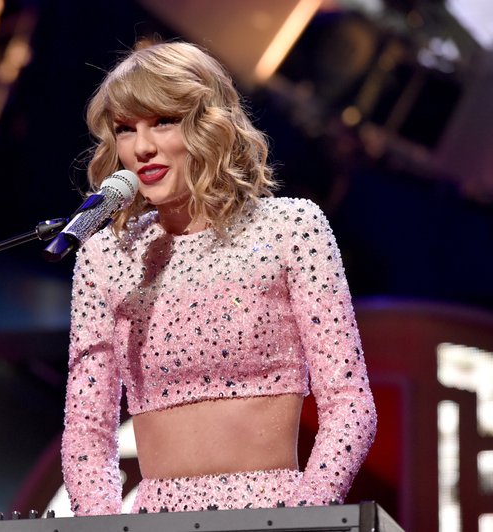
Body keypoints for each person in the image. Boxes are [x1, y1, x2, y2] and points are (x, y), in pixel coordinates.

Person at [61, 41, 376, 515]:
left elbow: (350, 403)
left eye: (163, 121)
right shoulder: (105, 254)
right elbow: (87, 428)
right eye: (126, 130)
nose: (142, 146)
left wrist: (307, 515)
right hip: (154, 522)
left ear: (208, 124)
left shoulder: (290, 228)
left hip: (275, 514)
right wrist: (104, 528)